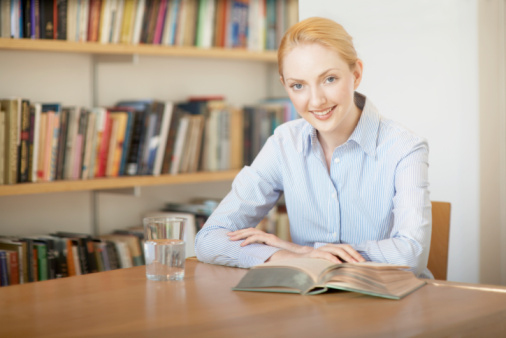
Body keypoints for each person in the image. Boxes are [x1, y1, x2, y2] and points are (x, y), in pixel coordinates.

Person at [195, 17, 432, 278]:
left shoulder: (405, 148)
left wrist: (302, 251)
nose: (316, 100)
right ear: (285, 85)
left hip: (389, 302)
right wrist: (285, 255)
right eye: (298, 85)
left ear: (356, 74)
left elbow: (411, 255)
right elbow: (209, 239)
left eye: (329, 79)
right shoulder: (284, 144)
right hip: (311, 303)